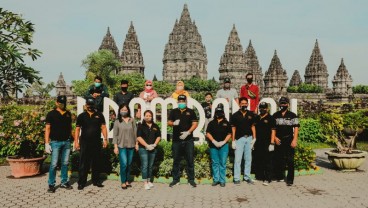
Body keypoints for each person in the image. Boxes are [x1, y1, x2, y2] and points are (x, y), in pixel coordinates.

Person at [74, 98, 108, 190]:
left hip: (96, 142)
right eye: (88, 105)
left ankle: (96, 181)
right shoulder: (81, 116)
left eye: (91, 105)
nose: (90, 106)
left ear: (94, 105)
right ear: (86, 105)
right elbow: (77, 129)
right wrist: (76, 142)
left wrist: (105, 139)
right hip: (84, 142)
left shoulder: (99, 115)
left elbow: (103, 127)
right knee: (83, 163)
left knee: (96, 162)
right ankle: (81, 182)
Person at [45, 95, 74, 193]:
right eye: (60, 103)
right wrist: (46, 143)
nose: (62, 104)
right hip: (55, 142)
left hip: (66, 141)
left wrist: (74, 140)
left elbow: (70, 128)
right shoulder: (51, 114)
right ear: (56, 102)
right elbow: (47, 129)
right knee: (53, 164)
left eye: (63, 103)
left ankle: (64, 182)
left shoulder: (68, 114)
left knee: (65, 163)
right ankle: (51, 184)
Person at [168, 95, 198, 188]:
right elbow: (169, 122)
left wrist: (188, 132)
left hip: (188, 139)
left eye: (183, 101)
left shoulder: (191, 111)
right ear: (177, 102)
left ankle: (191, 180)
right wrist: (173, 123)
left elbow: (195, 123)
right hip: (177, 140)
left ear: (186, 101)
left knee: (190, 160)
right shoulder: (174, 111)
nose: (181, 102)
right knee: (176, 160)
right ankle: (176, 180)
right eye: (180, 101)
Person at [273, 97, 299, 186]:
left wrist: (295, 140)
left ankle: (290, 179)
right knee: (278, 159)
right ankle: (279, 176)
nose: (283, 105)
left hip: (289, 139)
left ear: (288, 104)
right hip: (278, 139)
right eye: (281, 103)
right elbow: (272, 129)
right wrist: (275, 138)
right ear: (279, 104)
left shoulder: (292, 115)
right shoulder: (275, 115)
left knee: (290, 160)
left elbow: (296, 127)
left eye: (284, 103)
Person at [230, 97, 256, 185]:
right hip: (239, 139)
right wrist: (233, 141)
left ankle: (247, 177)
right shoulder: (235, 115)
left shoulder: (251, 114)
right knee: (238, 159)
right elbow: (233, 128)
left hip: (249, 138)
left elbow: (253, 126)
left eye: (246, 103)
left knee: (248, 159)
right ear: (239, 104)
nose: (244, 105)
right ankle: (236, 178)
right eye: (242, 103)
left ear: (247, 104)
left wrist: (254, 138)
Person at [113, 104, 137, 189]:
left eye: (125, 109)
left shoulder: (132, 120)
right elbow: (115, 135)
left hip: (131, 145)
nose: (124, 111)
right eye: (122, 109)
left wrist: (136, 144)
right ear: (119, 111)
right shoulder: (117, 121)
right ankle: (123, 181)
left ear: (128, 110)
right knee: (124, 164)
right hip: (121, 145)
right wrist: (115, 147)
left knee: (129, 164)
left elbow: (135, 133)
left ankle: (127, 181)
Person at [206, 106, 231, 187]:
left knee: (222, 163)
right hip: (214, 146)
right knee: (215, 163)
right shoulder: (211, 123)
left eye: (220, 112)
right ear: (215, 113)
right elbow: (208, 133)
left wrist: (223, 142)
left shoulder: (226, 123)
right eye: (217, 112)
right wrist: (214, 141)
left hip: (224, 146)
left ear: (223, 113)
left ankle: (222, 180)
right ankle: (216, 179)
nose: (218, 114)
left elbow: (229, 134)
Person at [137, 110, 161, 190]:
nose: (148, 117)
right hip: (143, 149)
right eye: (146, 115)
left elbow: (158, 136)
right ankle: (145, 182)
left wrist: (154, 144)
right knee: (145, 165)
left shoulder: (155, 126)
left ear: (152, 116)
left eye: (149, 116)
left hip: (153, 149)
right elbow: (139, 137)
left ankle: (149, 180)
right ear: (144, 116)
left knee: (150, 166)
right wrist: (146, 145)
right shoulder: (140, 126)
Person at [253, 102, 276, 186]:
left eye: (264, 108)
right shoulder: (257, 117)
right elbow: (253, 128)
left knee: (268, 161)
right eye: (261, 108)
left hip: (267, 142)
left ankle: (267, 178)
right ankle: (259, 176)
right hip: (258, 142)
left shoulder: (271, 118)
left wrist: (272, 143)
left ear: (267, 109)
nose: (262, 109)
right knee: (259, 159)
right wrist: (254, 139)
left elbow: (273, 131)